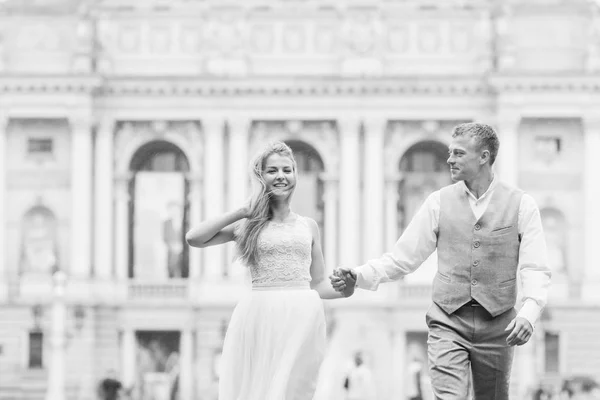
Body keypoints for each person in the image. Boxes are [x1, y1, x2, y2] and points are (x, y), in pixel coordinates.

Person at [331, 122, 552, 400]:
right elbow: (403, 259)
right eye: (450, 152)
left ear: (483, 157)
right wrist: (359, 275)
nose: (450, 159)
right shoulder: (437, 202)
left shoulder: (522, 205)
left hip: (500, 327)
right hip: (448, 322)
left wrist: (529, 313)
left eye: (459, 153)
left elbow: (535, 267)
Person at [186, 141, 354, 400]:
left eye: (287, 170)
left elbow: (318, 285)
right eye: (272, 170)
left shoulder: (309, 226)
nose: (281, 176)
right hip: (260, 314)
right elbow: (194, 238)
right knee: (261, 389)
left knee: (294, 388)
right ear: (260, 176)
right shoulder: (247, 226)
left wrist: (347, 290)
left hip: (302, 315)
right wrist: (243, 210)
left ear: (295, 175)